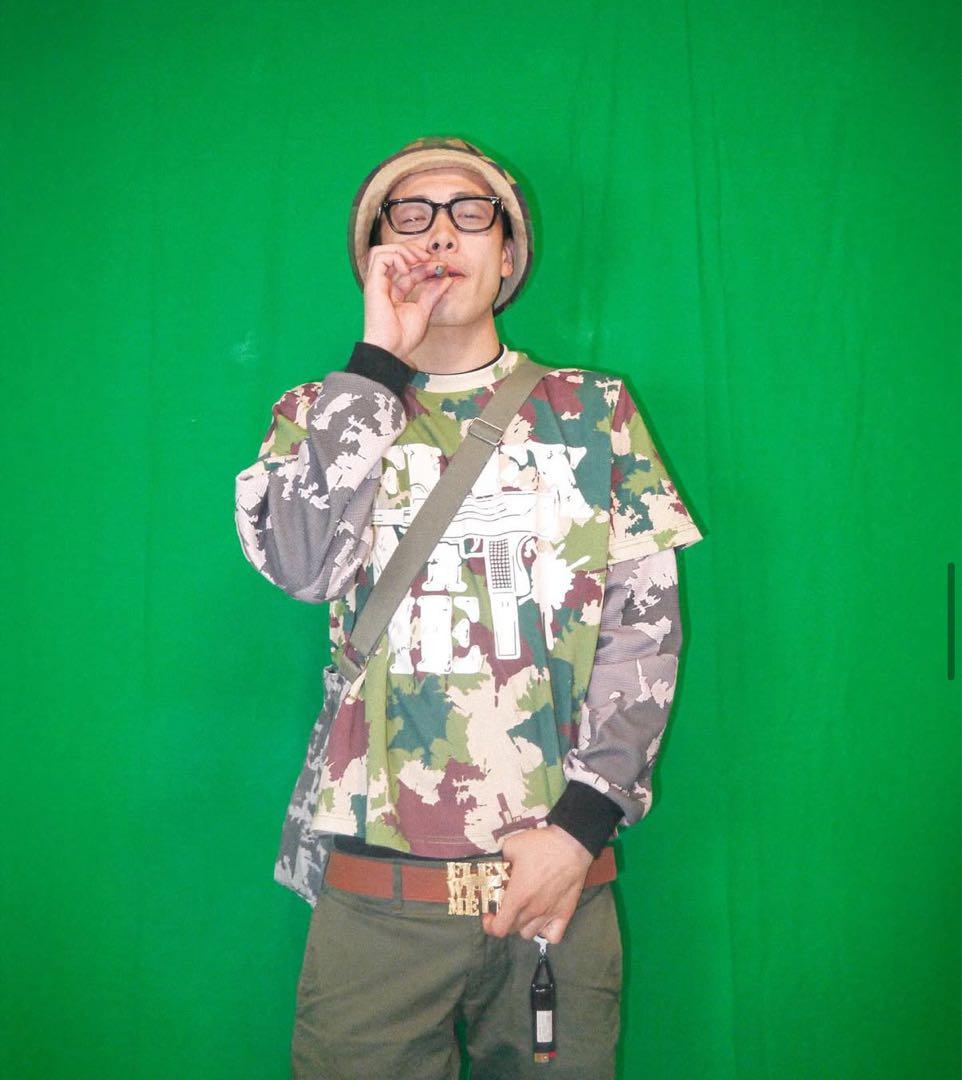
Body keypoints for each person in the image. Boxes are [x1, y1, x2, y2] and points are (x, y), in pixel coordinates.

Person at [234, 136, 704, 1079]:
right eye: (410, 216)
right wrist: (377, 362)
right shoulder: (319, 411)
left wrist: (577, 831)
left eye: (469, 213)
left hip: (553, 885)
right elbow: (300, 565)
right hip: (376, 895)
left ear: (509, 251)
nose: (440, 235)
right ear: (375, 255)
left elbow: (643, 638)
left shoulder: (596, 413)